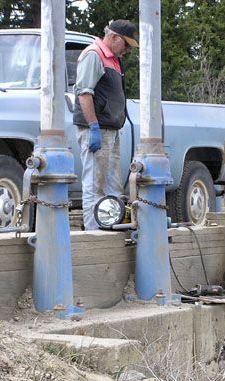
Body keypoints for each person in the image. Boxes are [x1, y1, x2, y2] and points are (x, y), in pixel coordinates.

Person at [73, 19, 138, 230]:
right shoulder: (94, 54)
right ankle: (94, 232)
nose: (127, 50)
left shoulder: (113, 59)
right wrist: (93, 126)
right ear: (113, 37)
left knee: (113, 184)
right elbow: (84, 93)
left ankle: (110, 226)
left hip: (110, 130)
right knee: (94, 184)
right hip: (97, 129)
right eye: (126, 44)